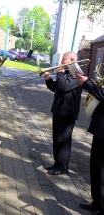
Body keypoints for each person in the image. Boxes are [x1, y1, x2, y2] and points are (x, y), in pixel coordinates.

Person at [43, 51, 82, 175]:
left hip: (67, 113)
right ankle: (57, 163)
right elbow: (57, 87)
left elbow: (64, 86)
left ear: (71, 59)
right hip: (59, 110)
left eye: (63, 59)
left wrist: (59, 73)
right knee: (57, 139)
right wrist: (48, 80)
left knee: (63, 141)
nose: (61, 62)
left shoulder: (77, 74)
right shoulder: (67, 72)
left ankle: (62, 167)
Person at [76, 72, 104, 215]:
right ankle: (97, 202)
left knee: (102, 172)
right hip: (100, 132)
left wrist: (87, 83)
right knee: (95, 169)